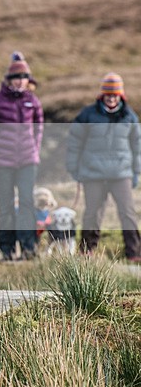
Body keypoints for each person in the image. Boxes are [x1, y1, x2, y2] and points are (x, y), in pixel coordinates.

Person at [0, 57, 44, 261]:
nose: (20, 81)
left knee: (27, 203)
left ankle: (29, 248)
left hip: (27, 162)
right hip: (0, 163)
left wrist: (35, 151)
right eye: (16, 77)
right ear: (8, 80)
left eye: (23, 77)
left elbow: (39, 129)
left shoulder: (33, 101)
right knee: (5, 206)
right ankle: (7, 250)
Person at [66, 72, 141, 260]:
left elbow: (137, 146)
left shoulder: (130, 117)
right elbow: (74, 142)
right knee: (92, 213)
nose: (111, 99)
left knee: (128, 212)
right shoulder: (87, 114)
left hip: (121, 173)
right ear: (102, 95)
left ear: (121, 96)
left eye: (115, 95)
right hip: (93, 174)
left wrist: (136, 172)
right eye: (108, 95)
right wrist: (74, 168)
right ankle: (86, 252)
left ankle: (134, 253)